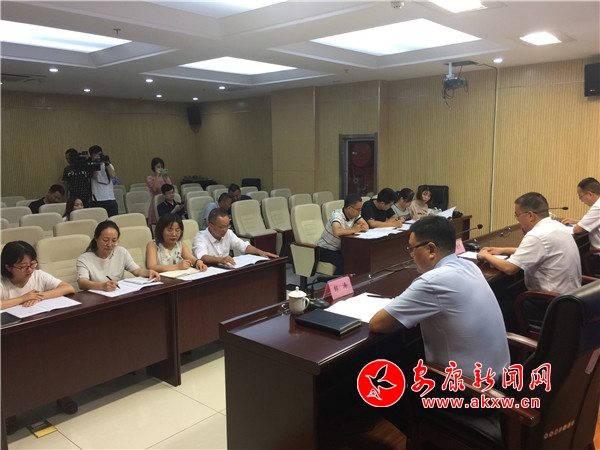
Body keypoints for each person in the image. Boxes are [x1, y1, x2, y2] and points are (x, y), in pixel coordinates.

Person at [370, 215, 509, 377]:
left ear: (431, 249)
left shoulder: (432, 281)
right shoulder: (469, 265)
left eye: (412, 248)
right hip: (503, 375)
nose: (411, 254)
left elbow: (377, 324)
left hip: (467, 387)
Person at [477, 192, 581, 293]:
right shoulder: (557, 226)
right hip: (572, 295)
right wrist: (503, 250)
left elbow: (509, 268)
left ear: (530, 215)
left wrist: (485, 255)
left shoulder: (537, 235)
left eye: (517, 215)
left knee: (501, 295)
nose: (517, 219)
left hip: (550, 299)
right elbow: (539, 251)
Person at [77, 221, 160, 291]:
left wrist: (148, 273)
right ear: (96, 238)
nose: (110, 244)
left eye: (114, 241)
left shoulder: (121, 252)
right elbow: (82, 283)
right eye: (105, 240)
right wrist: (102, 286)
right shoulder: (84, 259)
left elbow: (137, 271)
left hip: (117, 294)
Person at [1, 240, 75, 309]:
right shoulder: (2, 283)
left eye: (32, 264)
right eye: (23, 266)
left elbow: (68, 288)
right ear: (8, 267)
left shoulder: (38, 275)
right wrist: (23, 298)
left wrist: (37, 297)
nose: (30, 270)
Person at [192, 208, 278, 266]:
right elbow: (202, 256)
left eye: (227, 226)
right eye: (221, 227)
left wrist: (260, 252)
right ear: (211, 226)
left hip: (225, 269)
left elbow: (243, 246)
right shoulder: (200, 237)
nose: (225, 230)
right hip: (208, 271)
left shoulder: (228, 233)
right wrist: (220, 259)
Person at [317, 194, 368, 274]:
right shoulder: (337, 215)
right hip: (325, 250)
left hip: (340, 248)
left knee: (358, 255)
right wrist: (354, 230)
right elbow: (336, 231)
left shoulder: (355, 215)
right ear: (349, 208)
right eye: (358, 209)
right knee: (344, 261)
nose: (360, 212)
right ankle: (336, 281)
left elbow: (366, 226)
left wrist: (359, 229)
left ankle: (355, 279)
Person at [562, 177, 600, 274]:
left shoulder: (597, 207)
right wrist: (577, 221)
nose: (581, 200)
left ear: (590, 194)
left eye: (580, 196)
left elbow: (577, 230)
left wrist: (578, 224)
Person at [88, 145, 118, 217]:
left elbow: (113, 175)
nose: (98, 157)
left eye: (99, 155)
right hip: (97, 198)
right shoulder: (90, 165)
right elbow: (95, 176)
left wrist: (106, 163)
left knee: (113, 218)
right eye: (95, 155)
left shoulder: (108, 165)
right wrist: (96, 164)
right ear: (91, 156)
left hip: (110, 197)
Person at [146, 157, 173, 226]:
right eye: (158, 167)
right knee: (158, 224)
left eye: (161, 167)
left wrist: (166, 178)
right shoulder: (150, 178)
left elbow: (170, 189)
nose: (160, 168)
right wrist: (157, 176)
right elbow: (154, 189)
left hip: (166, 201)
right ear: (153, 167)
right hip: (156, 202)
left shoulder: (165, 177)